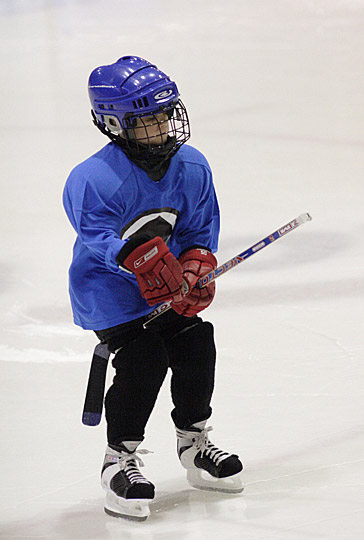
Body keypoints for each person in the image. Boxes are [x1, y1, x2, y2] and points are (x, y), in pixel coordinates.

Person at [63, 55, 243, 521]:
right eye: (145, 121)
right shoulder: (92, 179)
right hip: (110, 293)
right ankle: (117, 461)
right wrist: (139, 263)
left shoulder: (193, 165)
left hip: (168, 289)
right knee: (146, 357)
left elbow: (201, 227)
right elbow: (99, 238)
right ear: (113, 124)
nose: (161, 127)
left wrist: (194, 265)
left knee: (196, 342)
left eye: (165, 114)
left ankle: (193, 442)